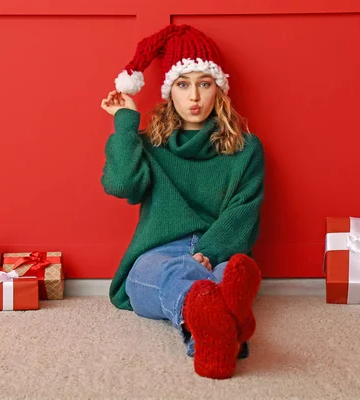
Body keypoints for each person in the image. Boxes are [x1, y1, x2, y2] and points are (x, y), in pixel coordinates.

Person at [99, 24, 265, 380]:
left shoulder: (247, 148)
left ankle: (206, 336)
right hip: (159, 254)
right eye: (183, 84)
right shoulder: (149, 145)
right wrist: (125, 122)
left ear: (218, 89)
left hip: (219, 252)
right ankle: (223, 324)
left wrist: (209, 250)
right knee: (172, 274)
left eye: (204, 83)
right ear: (169, 92)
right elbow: (120, 184)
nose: (194, 96)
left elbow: (243, 210)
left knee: (224, 274)